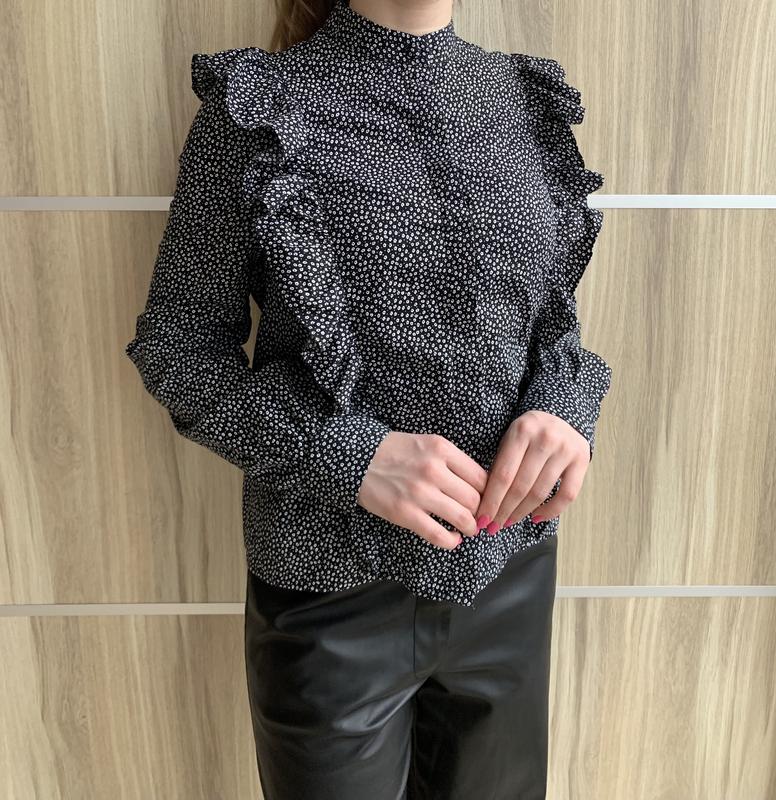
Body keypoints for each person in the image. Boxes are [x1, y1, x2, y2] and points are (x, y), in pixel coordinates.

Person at [125, 0, 612, 797]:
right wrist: (349, 456)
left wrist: (567, 405)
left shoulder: (523, 100)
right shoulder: (259, 108)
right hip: (328, 590)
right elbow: (178, 349)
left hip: (508, 571)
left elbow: (550, 325)